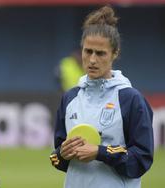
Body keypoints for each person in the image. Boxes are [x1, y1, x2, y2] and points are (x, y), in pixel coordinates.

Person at [50, 5, 153, 188]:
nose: (92, 60)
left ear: (115, 53)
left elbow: (141, 160)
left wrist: (100, 152)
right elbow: (57, 158)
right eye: (88, 51)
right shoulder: (70, 99)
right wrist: (62, 155)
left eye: (100, 53)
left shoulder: (131, 99)